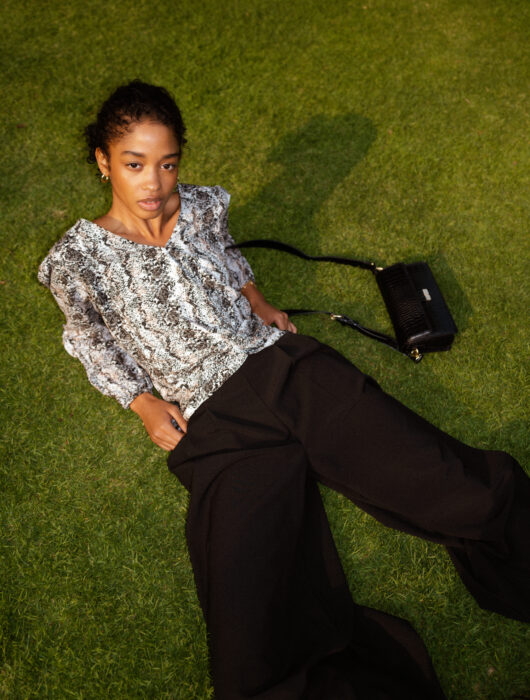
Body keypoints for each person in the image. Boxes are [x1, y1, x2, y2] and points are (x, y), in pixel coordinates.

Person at [38, 80, 529, 700]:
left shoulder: (202, 208)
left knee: (446, 480)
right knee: (250, 628)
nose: (154, 184)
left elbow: (230, 260)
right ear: (105, 162)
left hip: (287, 370)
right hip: (214, 423)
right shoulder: (76, 258)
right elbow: (89, 340)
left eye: (167, 164)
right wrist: (142, 403)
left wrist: (260, 300)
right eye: (135, 165)